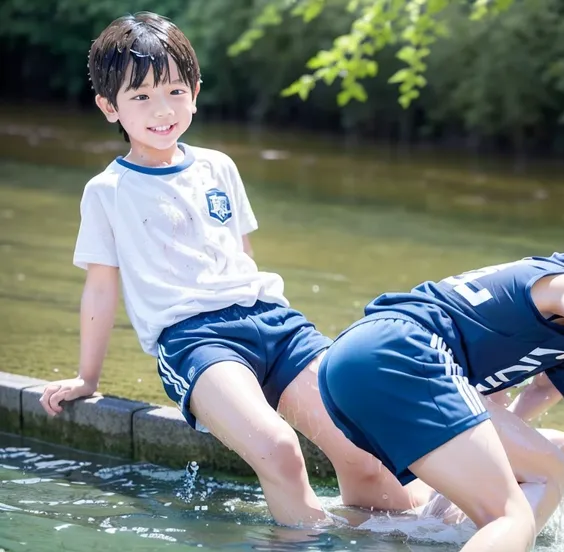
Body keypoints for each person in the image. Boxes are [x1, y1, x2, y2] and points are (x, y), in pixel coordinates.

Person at [36, 11, 431, 528]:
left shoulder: (219, 166)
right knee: (279, 450)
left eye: (175, 91)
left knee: (368, 454)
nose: (163, 110)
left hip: (274, 324)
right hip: (195, 341)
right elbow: (101, 289)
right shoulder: (107, 192)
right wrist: (88, 378)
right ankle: (304, 542)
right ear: (109, 107)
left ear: (196, 91)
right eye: (141, 98)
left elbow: (241, 258)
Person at [318, 160, 564, 550]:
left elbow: (543, 390)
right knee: (536, 487)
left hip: (357, 358)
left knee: (555, 451)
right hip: (408, 352)